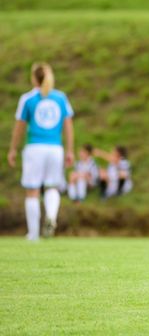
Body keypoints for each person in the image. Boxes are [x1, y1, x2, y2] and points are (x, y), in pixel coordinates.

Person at [7, 62, 74, 240]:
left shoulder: (27, 99)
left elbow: (19, 127)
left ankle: (34, 234)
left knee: (33, 190)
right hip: (55, 148)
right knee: (52, 186)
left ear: (33, 78)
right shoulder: (61, 98)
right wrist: (69, 150)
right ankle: (51, 217)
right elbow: (68, 126)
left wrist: (13, 149)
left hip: (35, 148)